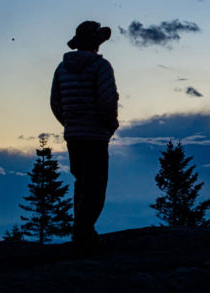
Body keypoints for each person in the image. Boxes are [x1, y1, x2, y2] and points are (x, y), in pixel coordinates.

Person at [50, 21, 119, 252]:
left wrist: (70, 123)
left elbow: (55, 103)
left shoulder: (61, 68)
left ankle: (84, 232)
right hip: (95, 136)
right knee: (96, 187)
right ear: (96, 43)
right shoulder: (101, 66)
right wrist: (110, 125)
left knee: (82, 184)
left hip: (74, 136)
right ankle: (82, 237)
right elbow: (107, 101)